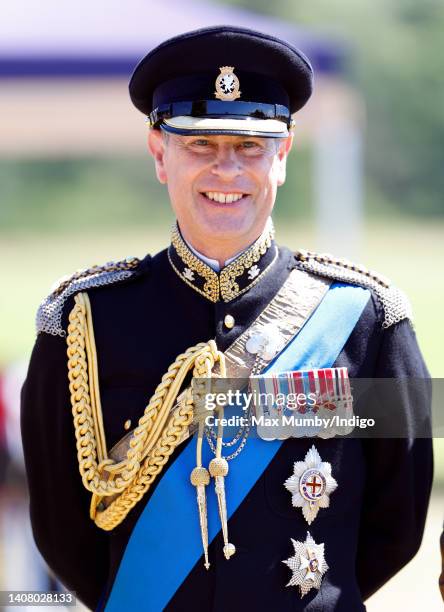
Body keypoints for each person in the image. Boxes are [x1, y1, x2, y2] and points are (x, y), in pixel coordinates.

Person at [21, 25, 433, 612]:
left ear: (282, 155)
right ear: (159, 153)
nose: (226, 171)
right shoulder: (80, 322)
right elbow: (63, 533)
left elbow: (399, 521)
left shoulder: (367, 318)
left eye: (249, 147)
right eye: (200, 145)